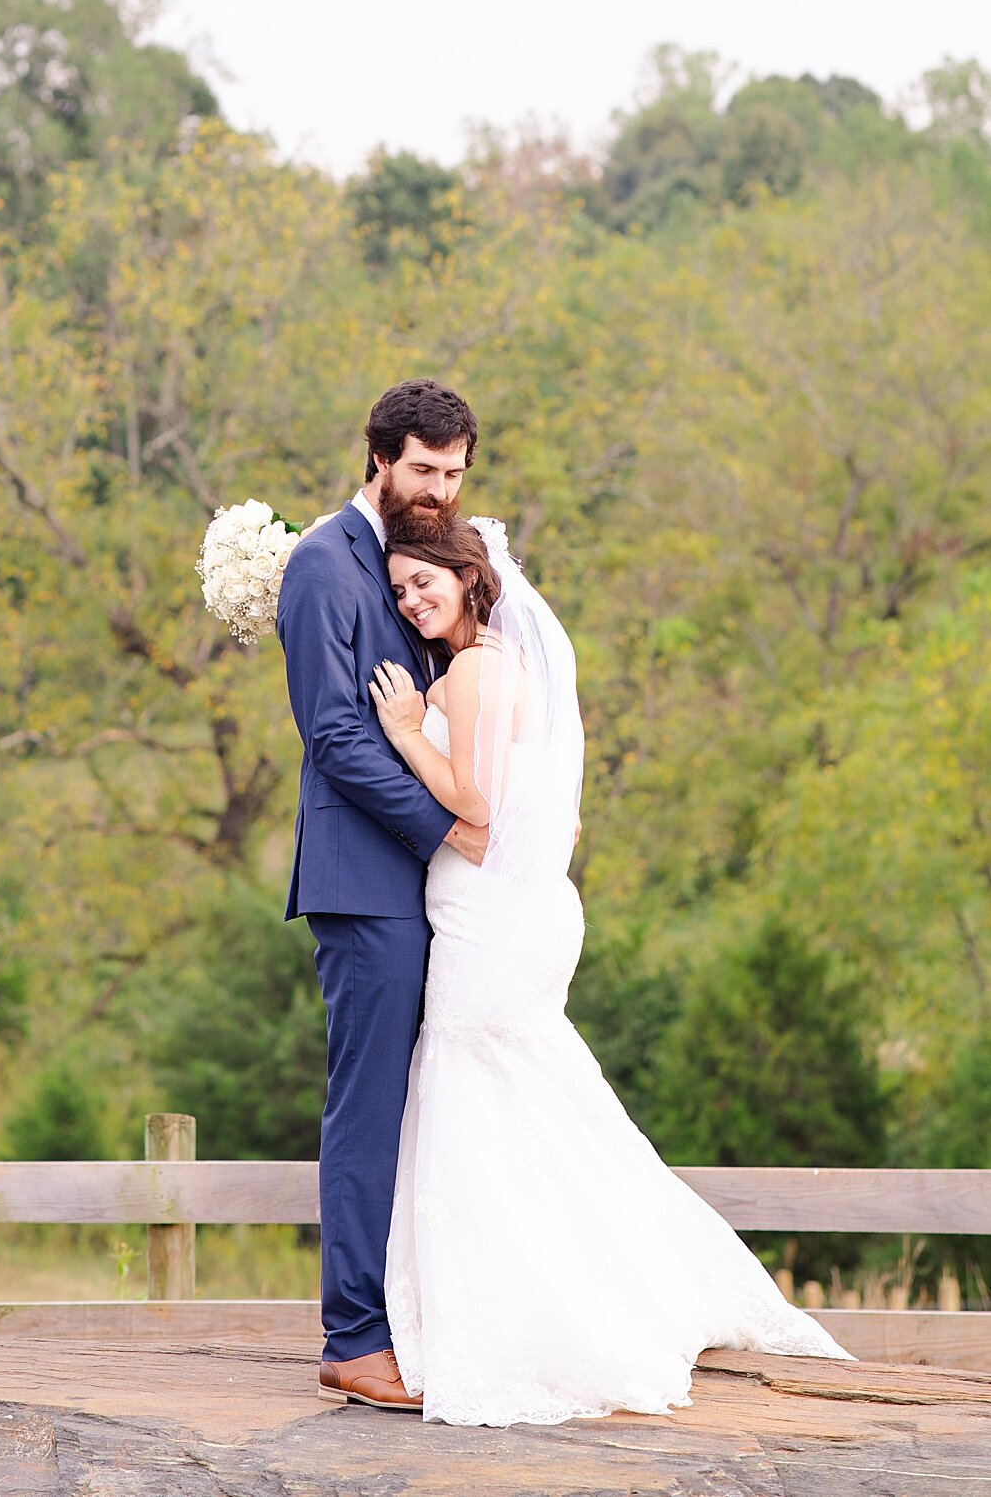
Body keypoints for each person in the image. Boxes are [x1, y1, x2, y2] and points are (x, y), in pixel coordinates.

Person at [368, 514, 850, 1426]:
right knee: (532, 1099)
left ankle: (528, 1318)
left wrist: (403, 731)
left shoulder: (474, 671)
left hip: (494, 922)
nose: (410, 599)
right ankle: (586, 1284)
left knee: (477, 1089)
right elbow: (538, 814)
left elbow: (475, 802)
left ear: (470, 577)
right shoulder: (500, 673)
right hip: (512, 912)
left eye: (422, 580)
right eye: (399, 589)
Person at [276, 379, 487, 1411]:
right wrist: (445, 827)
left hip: (438, 886)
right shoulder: (322, 565)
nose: (439, 491)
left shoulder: (427, 561)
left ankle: (414, 1316)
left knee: (434, 1101)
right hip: (366, 882)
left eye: (452, 474)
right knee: (368, 1107)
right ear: (379, 460)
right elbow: (333, 732)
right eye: (422, 470)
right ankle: (355, 1339)